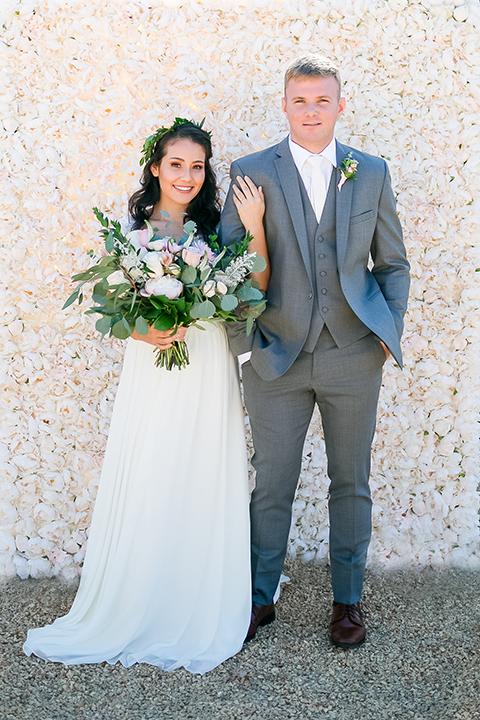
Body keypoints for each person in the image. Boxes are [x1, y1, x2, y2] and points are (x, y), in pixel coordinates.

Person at [23, 120, 268, 673]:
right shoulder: (132, 238)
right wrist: (146, 330)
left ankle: (198, 597)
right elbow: (113, 312)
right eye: (176, 164)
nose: (186, 176)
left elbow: (253, 286)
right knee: (155, 467)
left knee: (201, 469)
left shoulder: (216, 229)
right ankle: (141, 599)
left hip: (207, 363)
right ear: (155, 167)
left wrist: (252, 224)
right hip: (155, 364)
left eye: (197, 167)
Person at [220, 56, 410, 649]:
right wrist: (246, 345)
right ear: (284, 105)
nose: (311, 111)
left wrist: (387, 330)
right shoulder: (251, 171)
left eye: (321, 100)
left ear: (339, 106)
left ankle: (348, 601)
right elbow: (230, 269)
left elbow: (393, 262)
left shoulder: (370, 171)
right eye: (299, 101)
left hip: (354, 353)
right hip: (276, 355)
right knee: (271, 483)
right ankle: (258, 597)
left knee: (350, 480)